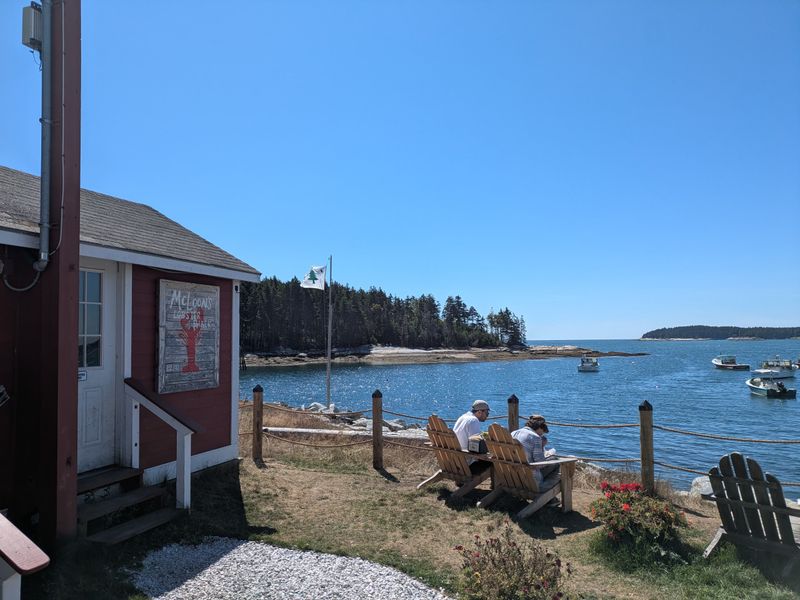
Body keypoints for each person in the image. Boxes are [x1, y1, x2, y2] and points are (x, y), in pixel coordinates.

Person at [511, 414, 559, 484]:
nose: (542, 435)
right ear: (540, 428)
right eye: (543, 432)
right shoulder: (535, 437)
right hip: (529, 476)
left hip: (513, 474)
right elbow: (540, 464)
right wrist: (542, 446)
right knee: (555, 461)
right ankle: (544, 487)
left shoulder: (513, 433)